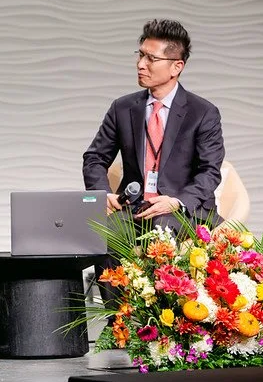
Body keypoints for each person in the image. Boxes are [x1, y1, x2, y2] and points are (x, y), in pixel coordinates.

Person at [82, 19, 225, 309]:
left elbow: (209, 172)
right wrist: (102, 193)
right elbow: (95, 158)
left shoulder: (203, 112)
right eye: (140, 55)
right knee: (105, 234)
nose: (140, 64)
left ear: (176, 66)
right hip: (135, 208)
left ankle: (162, 322)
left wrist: (176, 201)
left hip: (183, 209)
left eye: (151, 58)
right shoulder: (123, 108)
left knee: (161, 230)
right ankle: (119, 320)